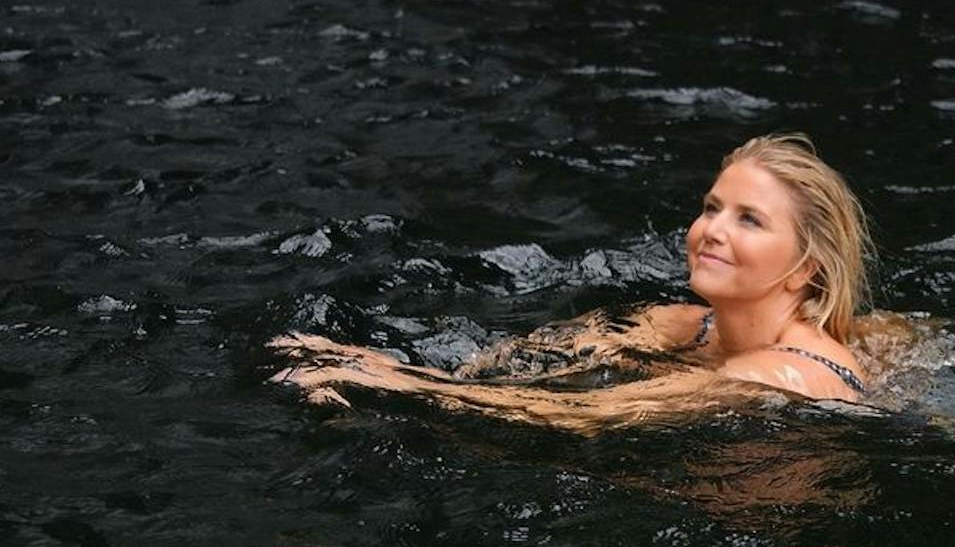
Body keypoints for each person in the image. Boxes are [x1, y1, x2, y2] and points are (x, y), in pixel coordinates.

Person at [270, 133, 874, 430]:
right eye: (711, 207)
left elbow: (583, 414)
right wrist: (375, 360)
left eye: (749, 219)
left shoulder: (770, 374)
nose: (711, 230)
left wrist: (388, 382)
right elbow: (531, 362)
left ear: (807, 269)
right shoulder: (685, 323)